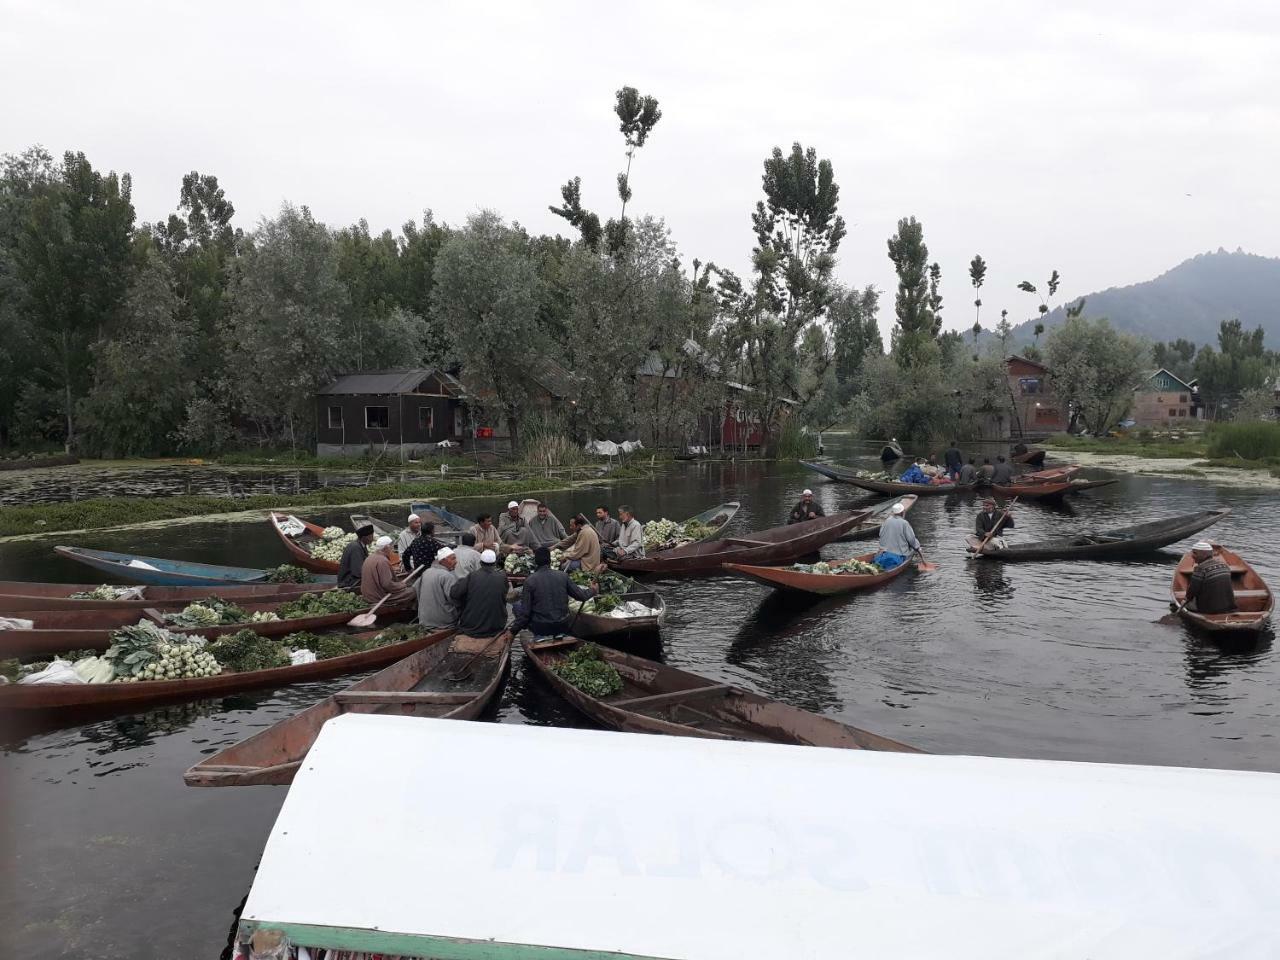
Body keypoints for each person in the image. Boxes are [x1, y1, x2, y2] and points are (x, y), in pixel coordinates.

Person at [510, 546, 596, 637]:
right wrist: (593, 590)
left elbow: (525, 614)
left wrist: (512, 631)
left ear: (536, 562)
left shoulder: (530, 580)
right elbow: (581, 596)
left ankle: (539, 636)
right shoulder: (563, 576)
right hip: (563, 624)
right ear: (550, 561)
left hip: (541, 627)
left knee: (516, 606)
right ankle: (559, 634)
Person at [449, 549, 510, 637]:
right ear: (495, 563)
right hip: (497, 626)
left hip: (471, 626)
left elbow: (454, 593)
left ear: (481, 563)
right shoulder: (502, 577)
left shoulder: (472, 576)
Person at [361, 536, 417, 606]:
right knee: (413, 591)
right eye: (391, 546)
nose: (392, 549)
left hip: (368, 595)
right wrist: (401, 585)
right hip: (378, 597)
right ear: (386, 547)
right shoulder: (382, 561)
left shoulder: (369, 557)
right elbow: (387, 584)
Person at [1183, 542, 1236, 614]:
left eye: (1195, 553)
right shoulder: (1224, 565)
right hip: (1229, 607)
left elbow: (1192, 591)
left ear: (1204, 554)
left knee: (1185, 602)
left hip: (1209, 610)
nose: (1192, 556)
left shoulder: (1200, 568)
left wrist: (1185, 600)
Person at [417, 547, 460, 628]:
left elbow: (416, 591)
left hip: (424, 619)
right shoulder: (447, 576)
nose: (456, 561)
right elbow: (455, 599)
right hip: (443, 621)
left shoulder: (426, 572)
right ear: (443, 560)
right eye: (453, 559)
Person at [875, 501, 921, 569]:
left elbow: (880, 534)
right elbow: (911, 539)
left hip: (883, 552)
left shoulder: (886, 521)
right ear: (902, 513)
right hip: (898, 554)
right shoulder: (904, 523)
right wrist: (917, 547)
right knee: (914, 547)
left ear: (894, 513)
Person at [339, 524, 375, 590]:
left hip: (353, 578)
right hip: (348, 581)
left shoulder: (362, 545)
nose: (372, 538)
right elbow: (358, 572)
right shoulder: (356, 548)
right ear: (364, 537)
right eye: (371, 536)